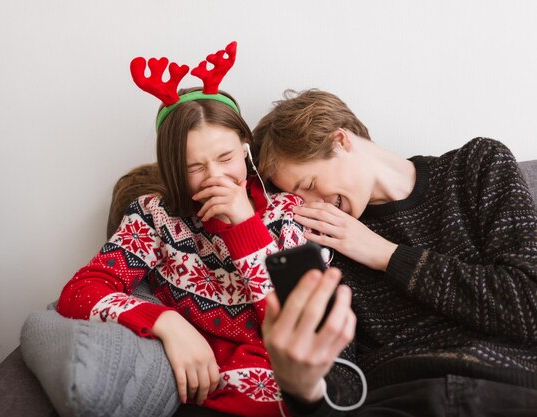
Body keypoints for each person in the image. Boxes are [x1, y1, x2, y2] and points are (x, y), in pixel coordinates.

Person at [56, 45, 355, 417]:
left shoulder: (289, 212)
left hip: (289, 397)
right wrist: (166, 322)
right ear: (172, 170)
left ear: (245, 150)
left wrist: (245, 226)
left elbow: (303, 326)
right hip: (201, 394)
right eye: (194, 166)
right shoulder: (154, 216)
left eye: (226, 158)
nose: (216, 177)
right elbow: (80, 293)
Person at [253, 89, 537, 416]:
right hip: (398, 399)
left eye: (310, 182)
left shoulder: (475, 165)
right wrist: (306, 386)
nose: (314, 206)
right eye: (299, 199)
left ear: (341, 141)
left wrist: (387, 255)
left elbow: (529, 303)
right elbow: (341, 383)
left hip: (506, 386)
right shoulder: (321, 242)